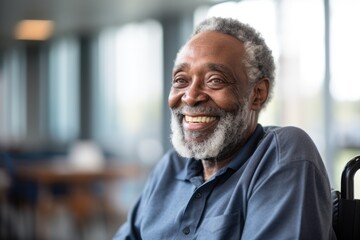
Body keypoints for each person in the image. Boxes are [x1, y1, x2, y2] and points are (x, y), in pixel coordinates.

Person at [113, 17, 336, 239]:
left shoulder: (282, 153)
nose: (190, 97)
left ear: (257, 94)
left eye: (215, 80)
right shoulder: (170, 168)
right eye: (181, 80)